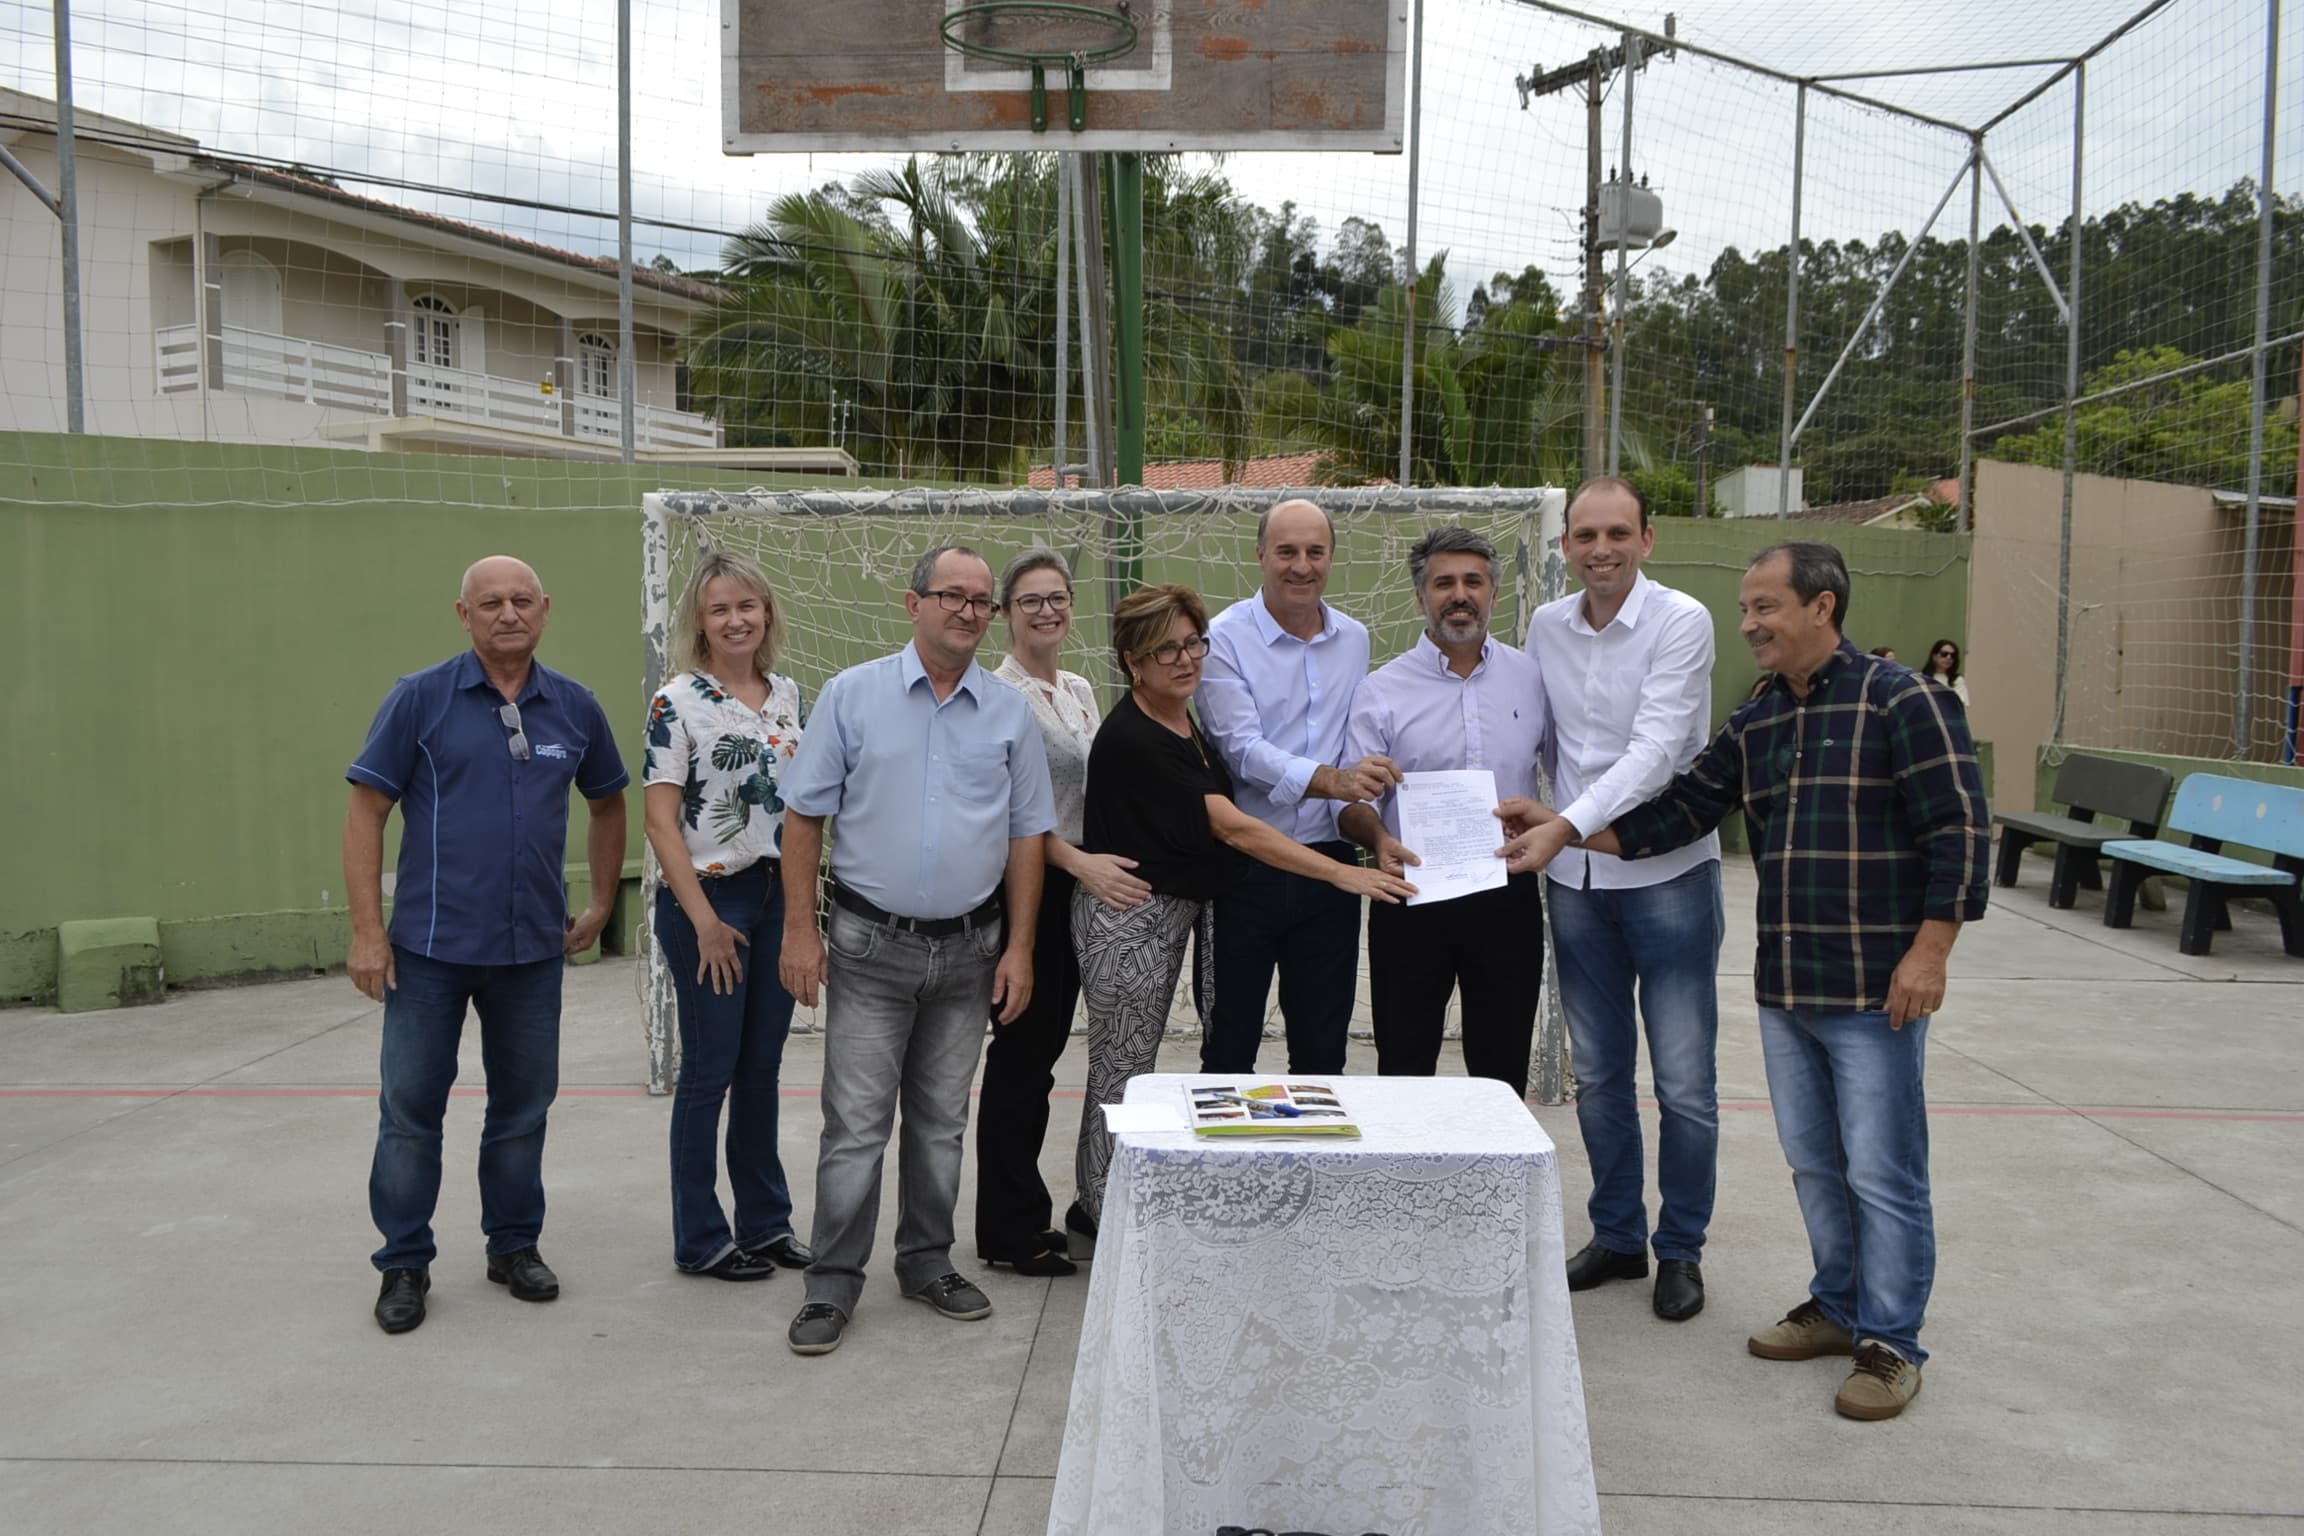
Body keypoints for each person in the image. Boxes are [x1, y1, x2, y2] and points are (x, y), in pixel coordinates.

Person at [1504, 541, 1990, 1421]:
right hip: (1789, 981)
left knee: (1883, 1169)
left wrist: (1930, 954)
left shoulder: (1902, 700)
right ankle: (1838, 1308)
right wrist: (1566, 830)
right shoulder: (1764, 714)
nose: (1751, 625)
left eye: (1766, 608)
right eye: (1746, 610)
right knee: (1812, 1161)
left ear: (1823, 608)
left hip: (1876, 984)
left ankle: (1891, 1344)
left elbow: (1959, 832)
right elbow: (1686, 808)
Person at [1069, 585, 1415, 1247]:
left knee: (1139, 1067)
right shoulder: (1138, 736)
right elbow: (1234, 828)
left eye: (1191, 643)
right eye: (1162, 649)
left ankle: (1119, 1204)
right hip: (1131, 917)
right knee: (1122, 1070)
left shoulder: (1180, 717)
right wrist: (1344, 871)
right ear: (1131, 662)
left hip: (1177, 911)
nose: (1182, 659)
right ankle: (1102, 1216)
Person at [775, 545, 1057, 1356]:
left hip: (972, 951)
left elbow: (1027, 836)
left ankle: (926, 1262)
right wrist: (801, 929)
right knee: (856, 1126)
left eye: (980, 601)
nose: (968, 611)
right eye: (951, 596)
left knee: (939, 1123)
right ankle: (831, 1282)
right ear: (913, 604)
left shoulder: (1007, 712)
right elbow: (804, 817)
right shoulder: (852, 696)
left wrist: (1021, 949)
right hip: (868, 946)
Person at [345, 555, 629, 1336]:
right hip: (429, 952)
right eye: (491, 602)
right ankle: (404, 1262)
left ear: (546, 609)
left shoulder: (574, 707)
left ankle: (514, 1247)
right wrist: (369, 932)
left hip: (532, 953)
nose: (509, 613)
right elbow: (367, 810)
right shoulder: (420, 700)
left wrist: (603, 901)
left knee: (522, 1109)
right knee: (411, 1112)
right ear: (463, 616)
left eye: (523, 600)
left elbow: (609, 804)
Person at [1511, 477, 1725, 1324]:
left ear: (1648, 538)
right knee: (1598, 1075)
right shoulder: (1544, 625)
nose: (1600, 549)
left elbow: (1657, 749)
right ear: (1564, 544)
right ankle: (1616, 1234)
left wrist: (1562, 824)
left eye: (1617, 534)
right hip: (1575, 885)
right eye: (1584, 535)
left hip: (1667, 874)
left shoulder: (1683, 620)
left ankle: (1681, 1250)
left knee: (1683, 1083)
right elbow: (1542, 740)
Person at [641, 549, 814, 1283]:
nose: (736, 619)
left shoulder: (788, 696)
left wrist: (807, 913)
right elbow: (659, 823)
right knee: (709, 1070)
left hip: (779, 895)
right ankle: (701, 1238)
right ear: (700, 623)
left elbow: (801, 810)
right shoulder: (676, 701)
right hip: (711, 901)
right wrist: (706, 920)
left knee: (762, 1068)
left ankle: (766, 1224)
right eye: (720, 609)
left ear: (766, 612)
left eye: (747, 605)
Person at [975, 550, 1146, 1278]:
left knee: (1049, 1057)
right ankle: (1009, 1230)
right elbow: (1005, 811)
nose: (1046, 611)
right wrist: (1075, 863)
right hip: (1030, 891)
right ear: (1003, 614)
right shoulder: (993, 694)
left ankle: (1050, 1210)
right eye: (1030, 600)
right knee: (1020, 1058)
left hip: (1082, 891)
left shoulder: (1077, 687)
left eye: (1057, 598)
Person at [1337, 527, 1549, 1094]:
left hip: (1506, 896)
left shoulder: (1531, 678)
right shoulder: (1381, 689)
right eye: (1444, 583)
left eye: (1473, 582)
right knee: (1405, 1068)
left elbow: (1566, 773)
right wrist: (1379, 839)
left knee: (1502, 1071)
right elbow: (1352, 804)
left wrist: (1543, 817)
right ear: (1420, 597)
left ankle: (1497, 1184)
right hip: (1412, 900)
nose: (1460, 595)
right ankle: (1405, 1183)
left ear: (1494, 594)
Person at [1196, 498, 1399, 1075]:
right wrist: (1334, 781)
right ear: (1260, 555)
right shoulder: (1224, 638)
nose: (1301, 566)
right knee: (1229, 1046)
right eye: (1286, 551)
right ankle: (1225, 1167)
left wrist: (1372, 809)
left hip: (1331, 871)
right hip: (1244, 869)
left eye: (1315, 551)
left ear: (1332, 558)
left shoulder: (1355, 640)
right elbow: (1241, 749)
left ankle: (1311, 1167)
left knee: (1322, 1049)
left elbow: (1356, 749)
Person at [1922, 638, 1969, 706]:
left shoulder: (1957, 680)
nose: (1948, 657)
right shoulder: (1922, 679)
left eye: (1953, 655)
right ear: (1934, 656)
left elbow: (1959, 705)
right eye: (1944, 654)